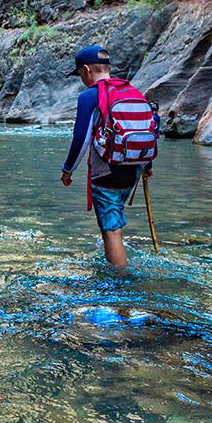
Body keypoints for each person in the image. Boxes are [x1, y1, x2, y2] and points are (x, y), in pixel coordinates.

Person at [60, 45, 154, 268]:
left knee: (111, 231)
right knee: (114, 219)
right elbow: (145, 129)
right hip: (133, 168)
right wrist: (147, 165)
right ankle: (114, 264)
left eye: (80, 74)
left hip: (107, 172)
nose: (81, 79)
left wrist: (68, 170)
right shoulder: (132, 91)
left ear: (86, 70)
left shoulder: (89, 96)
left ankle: (119, 284)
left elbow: (81, 138)